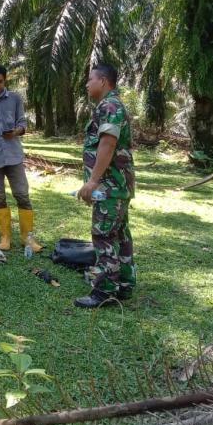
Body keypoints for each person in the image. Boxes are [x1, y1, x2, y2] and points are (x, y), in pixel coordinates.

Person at [74, 63, 136, 308]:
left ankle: (105, 292)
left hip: (110, 185)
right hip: (116, 186)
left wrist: (92, 181)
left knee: (104, 236)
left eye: (90, 79)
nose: (87, 84)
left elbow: (107, 144)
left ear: (103, 81)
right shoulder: (109, 106)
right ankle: (124, 284)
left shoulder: (110, 106)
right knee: (120, 235)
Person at [0, 63, 43, 253]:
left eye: (0, 82)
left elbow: (22, 122)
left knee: (22, 195)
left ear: (5, 80)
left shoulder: (15, 99)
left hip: (13, 155)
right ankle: (5, 238)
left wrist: (16, 131)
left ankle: (28, 238)